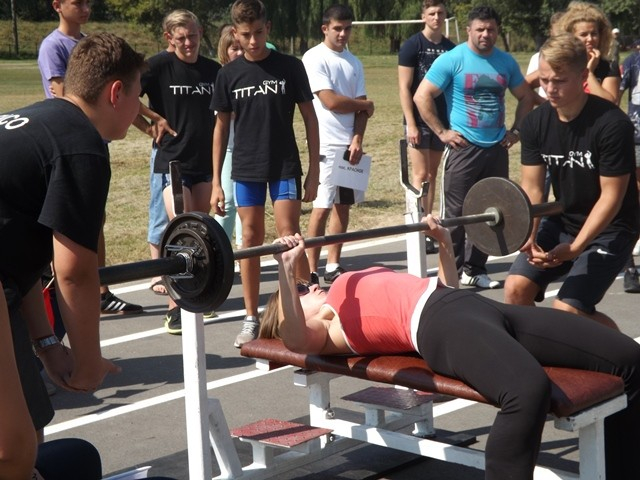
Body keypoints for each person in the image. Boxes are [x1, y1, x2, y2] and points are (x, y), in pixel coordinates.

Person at [260, 217, 640, 480]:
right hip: (441, 326)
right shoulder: (324, 326)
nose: (311, 284)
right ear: (287, 313)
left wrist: (444, 243)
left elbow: (446, 287)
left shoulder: (334, 295)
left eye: (308, 281)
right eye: (301, 289)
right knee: (526, 391)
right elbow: (295, 339)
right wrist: (285, 270)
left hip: (474, 307)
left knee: (629, 359)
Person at [1, 31, 143, 455]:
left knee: (31, 423)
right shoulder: (81, 146)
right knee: (18, 449)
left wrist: (47, 344)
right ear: (115, 93)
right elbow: (75, 273)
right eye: (138, 96)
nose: (139, 109)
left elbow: (20, 256)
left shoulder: (35, 119)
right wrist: (88, 363)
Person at [503, 34, 639, 329]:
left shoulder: (613, 125)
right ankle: (541, 350)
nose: (550, 89)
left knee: (568, 309)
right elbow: (533, 187)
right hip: (564, 220)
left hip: (613, 227)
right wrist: (529, 234)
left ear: (582, 77)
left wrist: (577, 247)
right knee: (515, 289)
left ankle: (625, 353)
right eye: (544, 80)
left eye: (560, 81)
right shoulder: (535, 122)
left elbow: (611, 197)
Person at [211, 0, 320, 348]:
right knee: (250, 238)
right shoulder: (228, 74)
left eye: (258, 32)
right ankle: (251, 316)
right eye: (246, 35)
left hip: (284, 165)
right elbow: (220, 129)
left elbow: (310, 118)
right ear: (235, 34)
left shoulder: (290, 66)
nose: (253, 40)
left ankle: (305, 304)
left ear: (268, 28)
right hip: (246, 168)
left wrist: (314, 170)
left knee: (289, 235)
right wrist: (216, 182)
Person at [413, 5, 535, 289]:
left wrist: (516, 131)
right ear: (468, 30)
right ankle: (451, 275)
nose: (485, 34)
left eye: (490, 29)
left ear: (497, 31)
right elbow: (422, 96)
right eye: (480, 29)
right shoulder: (453, 59)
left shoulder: (505, 62)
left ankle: (475, 269)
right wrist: (442, 132)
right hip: (463, 147)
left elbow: (527, 97)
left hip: (497, 147)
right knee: (455, 215)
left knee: (492, 210)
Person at [37, 0, 143, 315]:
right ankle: (65, 293)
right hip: (71, 142)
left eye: (88, 2)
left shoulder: (88, 43)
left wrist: (150, 120)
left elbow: (121, 92)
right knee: (69, 226)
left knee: (95, 219)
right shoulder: (53, 46)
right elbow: (65, 93)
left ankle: (99, 290)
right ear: (57, 5)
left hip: (91, 141)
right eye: (77, 2)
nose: (85, 8)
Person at [140, 9, 222, 334]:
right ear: (169, 38)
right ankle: (175, 305)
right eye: (181, 37)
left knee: (200, 232)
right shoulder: (158, 66)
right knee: (181, 229)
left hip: (204, 163)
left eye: (193, 36)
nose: (189, 43)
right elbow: (125, 96)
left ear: (200, 32)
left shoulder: (213, 70)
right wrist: (151, 123)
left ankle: (196, 293)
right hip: (173, 162)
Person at [302, 4, 374, 286]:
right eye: (337, 28)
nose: (343, 34)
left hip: (349, 147)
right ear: (325, 29)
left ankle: (333, 264)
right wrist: (364, 105)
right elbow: (330, 101)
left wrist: (357, 138)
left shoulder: (355, 63)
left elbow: (361, 110)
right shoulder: (314, 57)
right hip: (326, 145)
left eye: (347, 29)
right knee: (321, 208)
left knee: (343, 206)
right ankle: (310, 270)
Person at [398, 0, 455, 254]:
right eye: (432, 13)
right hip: (418, 121)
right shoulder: (413, 46)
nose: (436, 17)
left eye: (440, 13)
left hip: (440, 121)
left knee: (432, 175)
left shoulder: (451, 48)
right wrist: (410, 123)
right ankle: (416, 228)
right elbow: (404, 87)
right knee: (419, 175)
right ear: (423, 16)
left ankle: (428, 226)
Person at [213, 24, 244, 245]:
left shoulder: (251, 73)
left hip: (250, 148)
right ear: (225, 51)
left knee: (245, 204)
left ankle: (245, 250)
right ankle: (219, 250)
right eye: (234, 49)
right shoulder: (222, 76)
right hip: (229, 148)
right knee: (227, 202)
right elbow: (225, 115)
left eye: (242, 48)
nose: (239, 53)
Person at [619, 39, 640, 291]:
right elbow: (615, 96)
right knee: (634, 199)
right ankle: (629, 267)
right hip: (636, 138)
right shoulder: (633, 62)